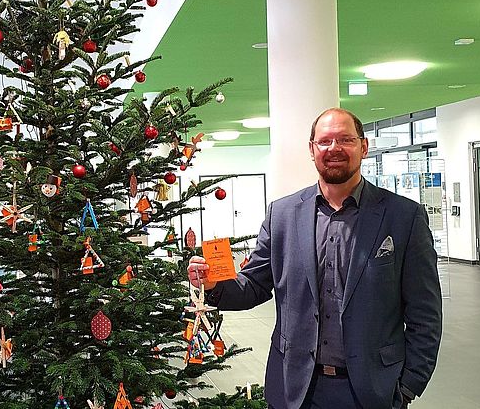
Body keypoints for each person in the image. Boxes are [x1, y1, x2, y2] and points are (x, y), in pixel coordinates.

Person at [188, 108, 442, 409]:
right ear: (312, 149)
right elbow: (254, 285)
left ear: (363, 147)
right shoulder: (282, 215)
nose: (334, 148)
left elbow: (425, 313)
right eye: (325, 141)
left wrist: (409, 385)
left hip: (373, 392)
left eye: (345, 139)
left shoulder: (404, 217)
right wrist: (214, 284)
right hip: (295, 390)